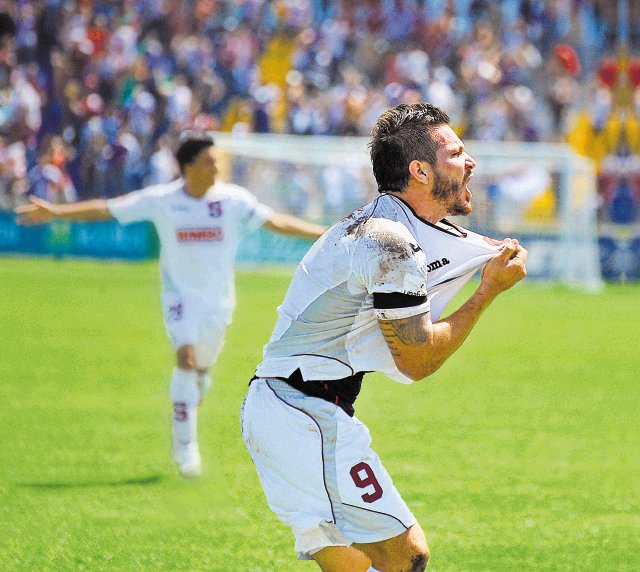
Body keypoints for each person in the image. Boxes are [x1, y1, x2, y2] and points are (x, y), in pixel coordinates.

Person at [240, 102, 528, 571]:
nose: (470, 161)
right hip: (302, 413)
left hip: (282, 407)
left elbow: (449, 251)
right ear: (419, 170)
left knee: (355, 566)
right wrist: (488, 292)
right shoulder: (388, 242)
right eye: (456, 153)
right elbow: (417, 361)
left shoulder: (393, 227)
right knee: (407, 557)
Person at [15, 132, 326, 478]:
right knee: (186, 359)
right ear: (189, 166)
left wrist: (321, 233)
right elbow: (106, 209)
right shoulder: (162, 200)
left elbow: (275, 222)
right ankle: (186, 448)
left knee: (201, 374)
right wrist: (55, 211)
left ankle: (188, 410)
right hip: (179, 299)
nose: (217, 167)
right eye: (209, 161)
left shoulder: (233, 200)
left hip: (218, 305)